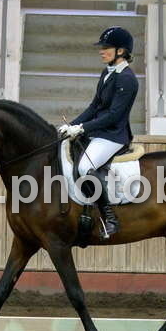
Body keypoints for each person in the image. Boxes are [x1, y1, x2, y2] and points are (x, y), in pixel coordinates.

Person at [57, 26, 138, 239]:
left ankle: (110, 218)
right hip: (99, 131)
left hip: (113, 135)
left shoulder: (127, 79)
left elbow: (113, 116)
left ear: (120, 51)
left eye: (106, 47)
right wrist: (72, 126)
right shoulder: (107, 73)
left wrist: (83, 128)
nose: (101, 51)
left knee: (85, 166)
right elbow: (94, 107)